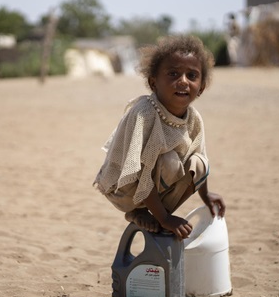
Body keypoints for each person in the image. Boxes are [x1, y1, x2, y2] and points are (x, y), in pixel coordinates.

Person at [94, 35, 226, 239]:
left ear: (201, 88)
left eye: (191, 76)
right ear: (153, 82)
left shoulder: (194, 118)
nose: (183, 81)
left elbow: (201, 158)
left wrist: (205, 195)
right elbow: (136, 171)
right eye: (173, 74)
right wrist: (165, 219)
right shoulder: (144, 113)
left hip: (154, 185)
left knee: (198, 163)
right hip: (124, 188)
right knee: (170, 160)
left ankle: (157, 213)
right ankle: (140, 212)